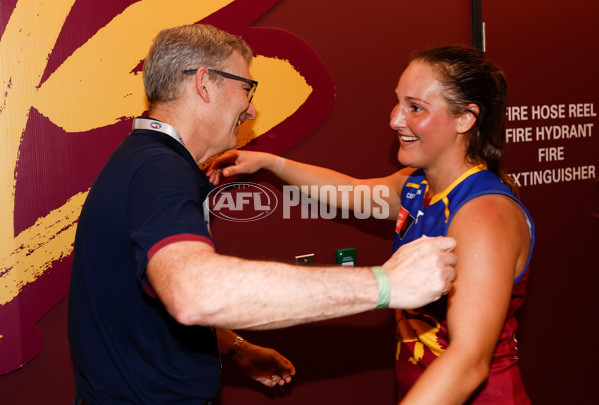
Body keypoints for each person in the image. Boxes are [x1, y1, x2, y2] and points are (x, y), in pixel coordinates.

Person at [67, 24, 458, 405]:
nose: (251, 107)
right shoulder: (158, 171)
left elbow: (157, 294)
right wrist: (386, 284)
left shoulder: (145, 159)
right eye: (246, 87)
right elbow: (193, 293)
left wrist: (237, 348)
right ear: (204, 83)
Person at [208, 45, 534, 404]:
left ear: (465, 118)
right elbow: (351, 192)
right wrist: (271, 163)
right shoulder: (416, 186)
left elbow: (469, 361)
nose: (395, 119)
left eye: (416, 108)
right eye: (398, 103)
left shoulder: (482, 214)